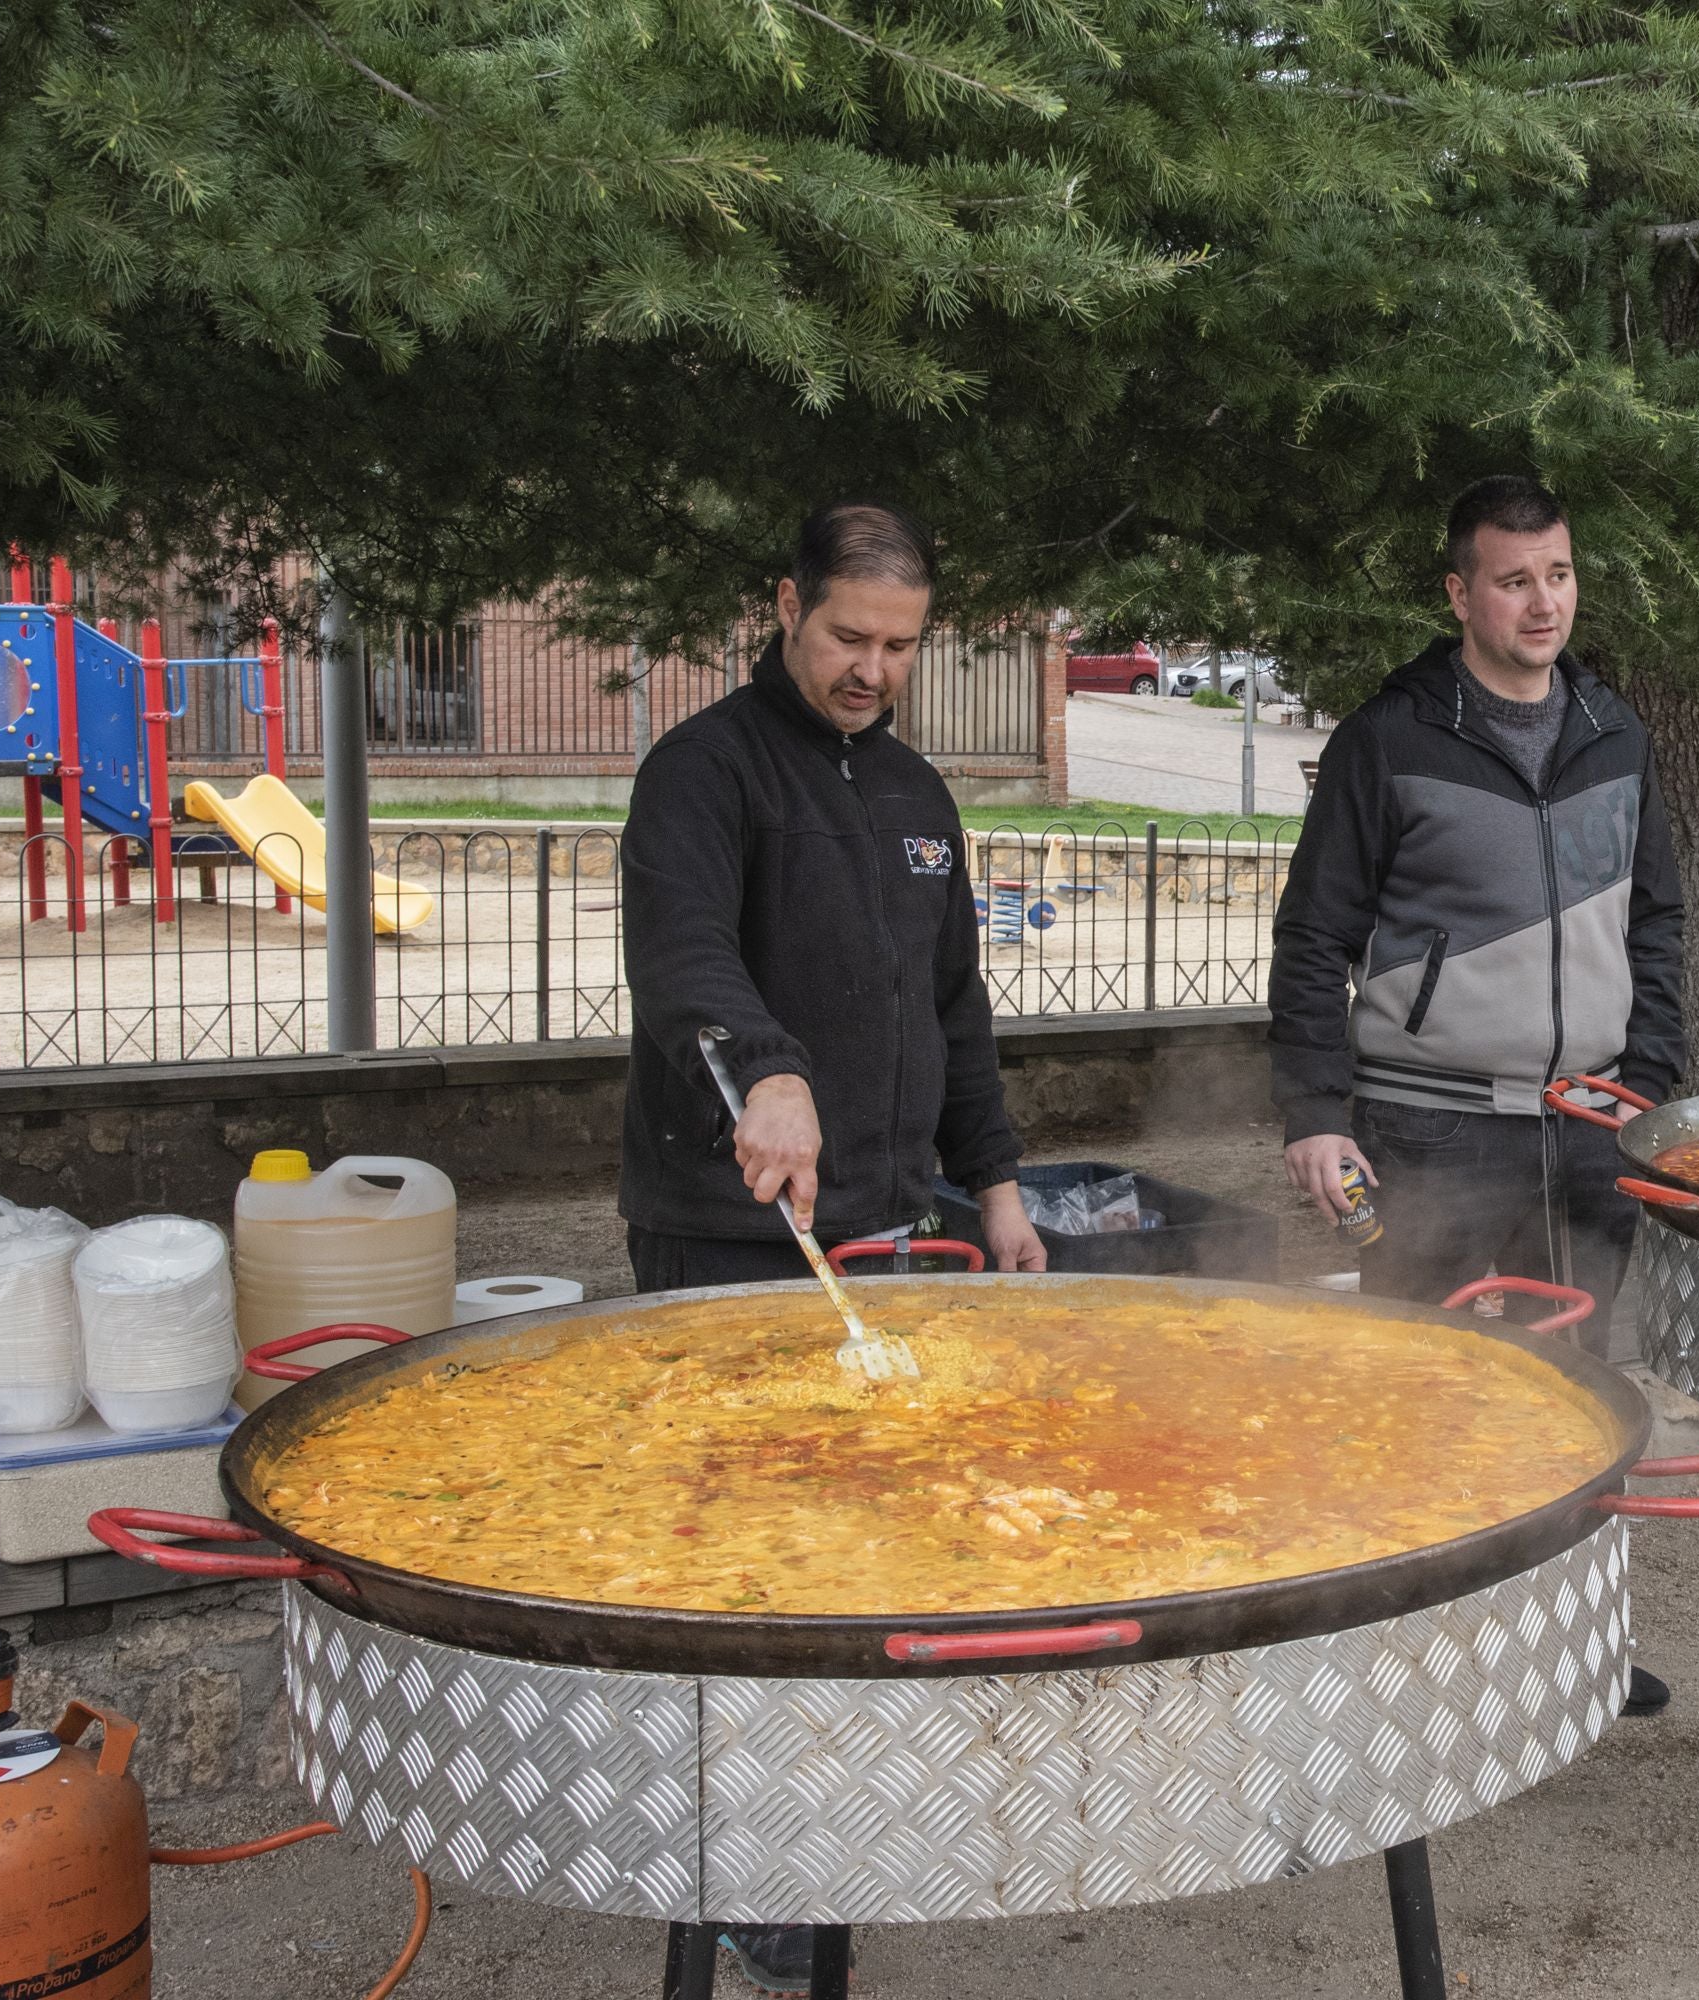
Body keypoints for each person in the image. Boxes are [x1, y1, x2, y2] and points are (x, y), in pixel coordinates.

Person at [619, 503, 1046, 1987]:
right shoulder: (702, 773)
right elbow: (683, 956)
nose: (872, 668)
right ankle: (741, 1867)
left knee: (874, 1540)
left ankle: (857, 1819)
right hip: (730, 1234)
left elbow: (956, 1010)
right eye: (848, 637)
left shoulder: (923, 793)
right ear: (784, 604)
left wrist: (992, 1183)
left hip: (892, 1225)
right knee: (748, 1562)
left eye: (899, 646)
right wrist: (766, 1062)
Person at [1268, 475, 1685, 1714]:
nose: (1540, 600)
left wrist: (1648, 1075)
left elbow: (1661, 919)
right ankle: (1411, 1665)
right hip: (1429, 1124)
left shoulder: (1616, 732)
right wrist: (1313, 1112)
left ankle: (1569, 1652)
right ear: (1459, 592)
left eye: (1556, 572)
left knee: (1577, 1387)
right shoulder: (1386, 740)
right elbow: (1310, 940)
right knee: (1424, 1385)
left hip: (1586, 1126)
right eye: (1512, 578)